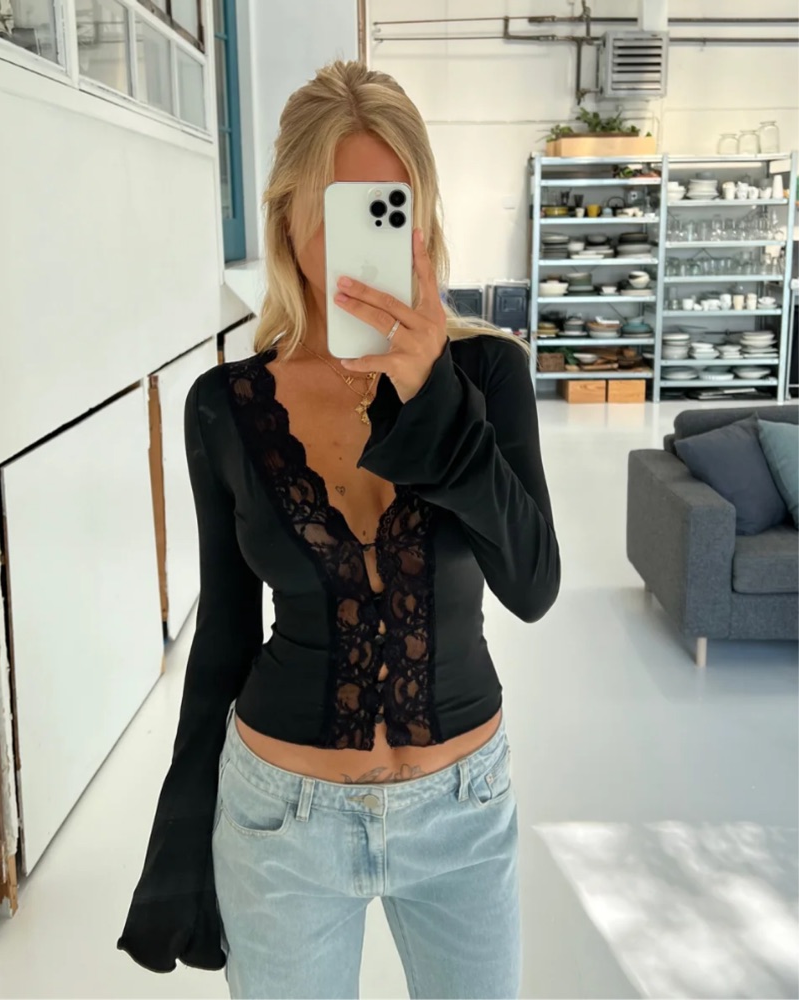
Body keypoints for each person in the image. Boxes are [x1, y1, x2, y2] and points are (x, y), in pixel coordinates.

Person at [117, 59, 560, 999]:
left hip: (464, 810)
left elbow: (532, 585)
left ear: (422, 218)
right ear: (288, 218)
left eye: (389, 209)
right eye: (342, 210)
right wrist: (179, 841)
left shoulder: (488, 378)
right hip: (282, 821)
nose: (369, 241)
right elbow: (224, 637)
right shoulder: (225, 406)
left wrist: (435, 397)